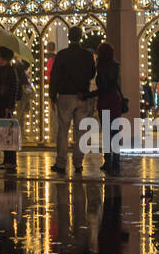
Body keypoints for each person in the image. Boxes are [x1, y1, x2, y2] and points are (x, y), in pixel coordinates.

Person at [48, 27, 95, 176]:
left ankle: (61, 163)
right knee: (80, 131)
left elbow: (55, 76)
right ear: (80, 37)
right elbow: (92, 73)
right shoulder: (87, 55)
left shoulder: (62, 55)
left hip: (65, 96)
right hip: (82, 96)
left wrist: (52, 95)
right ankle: (78, 163)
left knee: (63, 130)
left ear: (69, 37)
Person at [94, 42, 124, 174]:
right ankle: (116, 161)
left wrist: (88, 94)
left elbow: (102, 88)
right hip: (115, 100)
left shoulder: (100, 67)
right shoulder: (116, 65)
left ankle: (108, 161)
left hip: (105, 101)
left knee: (106, 133)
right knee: (115, 132)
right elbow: (116, 85)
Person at [0, 46, 22, 172]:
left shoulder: (10, 70)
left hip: (5, 106)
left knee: (7, 133)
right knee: (4, 134)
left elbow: (13, 89)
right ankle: (7, 160)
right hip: (1, 104)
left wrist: (10, 106)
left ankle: (10, 161)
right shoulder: (4, 70)